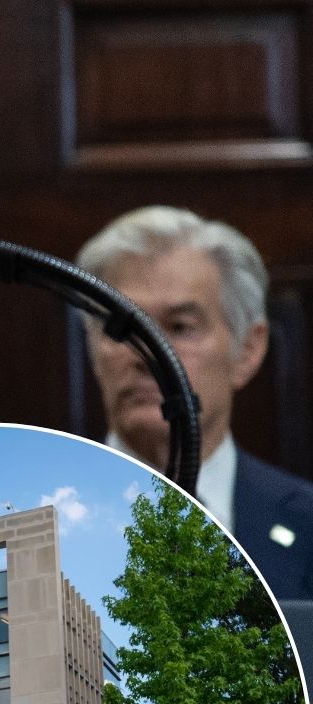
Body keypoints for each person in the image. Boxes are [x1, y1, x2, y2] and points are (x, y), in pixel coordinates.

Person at [77, 206, 313, 601]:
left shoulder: (305, 525)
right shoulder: (44, 509)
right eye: (122, 329)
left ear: (247, 350)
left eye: (180, 327)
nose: (147, 355)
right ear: (92, 346)